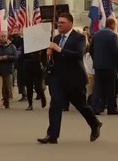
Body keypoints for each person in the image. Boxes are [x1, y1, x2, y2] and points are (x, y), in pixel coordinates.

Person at [37, 12, 101, 144]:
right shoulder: (56, 38)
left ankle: (95, 123)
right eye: (58, 23)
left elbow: (77, 55)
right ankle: (52, 135)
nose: (59, 25)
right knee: (55, 104)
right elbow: (51, 59)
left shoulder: (79, 38)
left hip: (74, 78)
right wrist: (48, 53)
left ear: (70, 23)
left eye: (62, 22)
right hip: (58, 78)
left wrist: (59, 49)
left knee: (81, 105)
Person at [89, 17, 118, 115]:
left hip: (98, 65)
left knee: (98, 86)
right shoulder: (112, 35)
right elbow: (116, 51)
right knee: (111, 87)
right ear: (112, 25)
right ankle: (111, 108)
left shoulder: (96, 34)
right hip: (109, 65)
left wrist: (96, 60)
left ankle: (95, 107)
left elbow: (91, 49)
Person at [0, 32, 17, 109]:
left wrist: (7, 57)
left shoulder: (11, 46)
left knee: (7, 87)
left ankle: (6, 101)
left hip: (8, 70)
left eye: (5, 36)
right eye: (2, 36)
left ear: (7, 37)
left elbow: (15, 57)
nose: (3, 38)